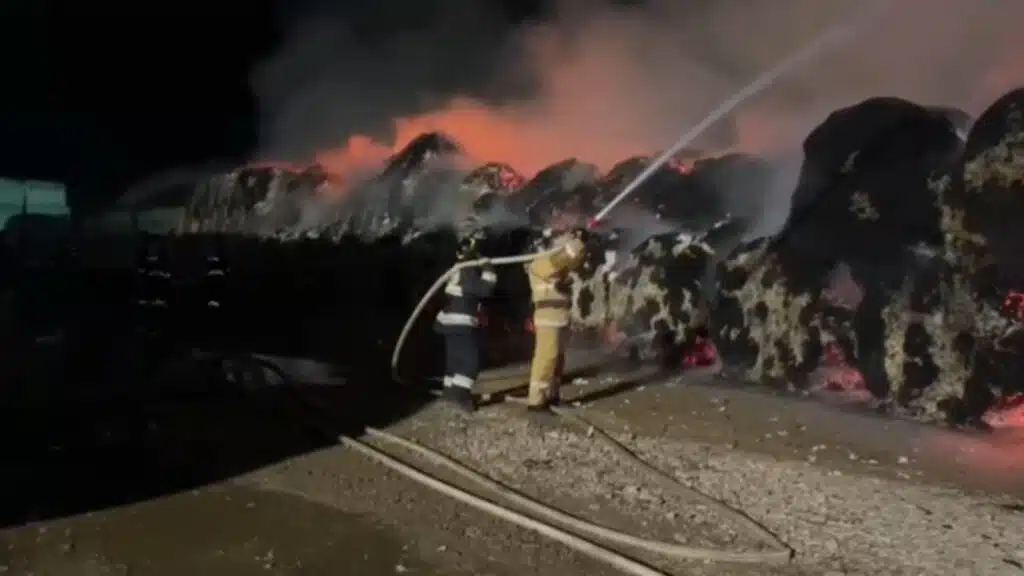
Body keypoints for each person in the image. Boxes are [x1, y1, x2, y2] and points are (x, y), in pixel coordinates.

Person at [524, 229, 587, 412]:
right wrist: (577, 241)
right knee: (547, 357)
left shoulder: (554, 263)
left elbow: (574, 260)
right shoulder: (540, 262)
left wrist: (581, 245)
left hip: (560, 316)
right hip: (548, 317)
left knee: (558, 359)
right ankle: (536, 400)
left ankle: (552, 394)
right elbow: (567, 256)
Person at [434, 232, 498, 412]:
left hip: (449, 322)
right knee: (471, 362)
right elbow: (485, 289)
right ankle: (461, 395)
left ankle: (449, 392)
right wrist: (487, 266)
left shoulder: (455, 269)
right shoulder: (468, 270)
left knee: (455, 360)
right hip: (461, 321)